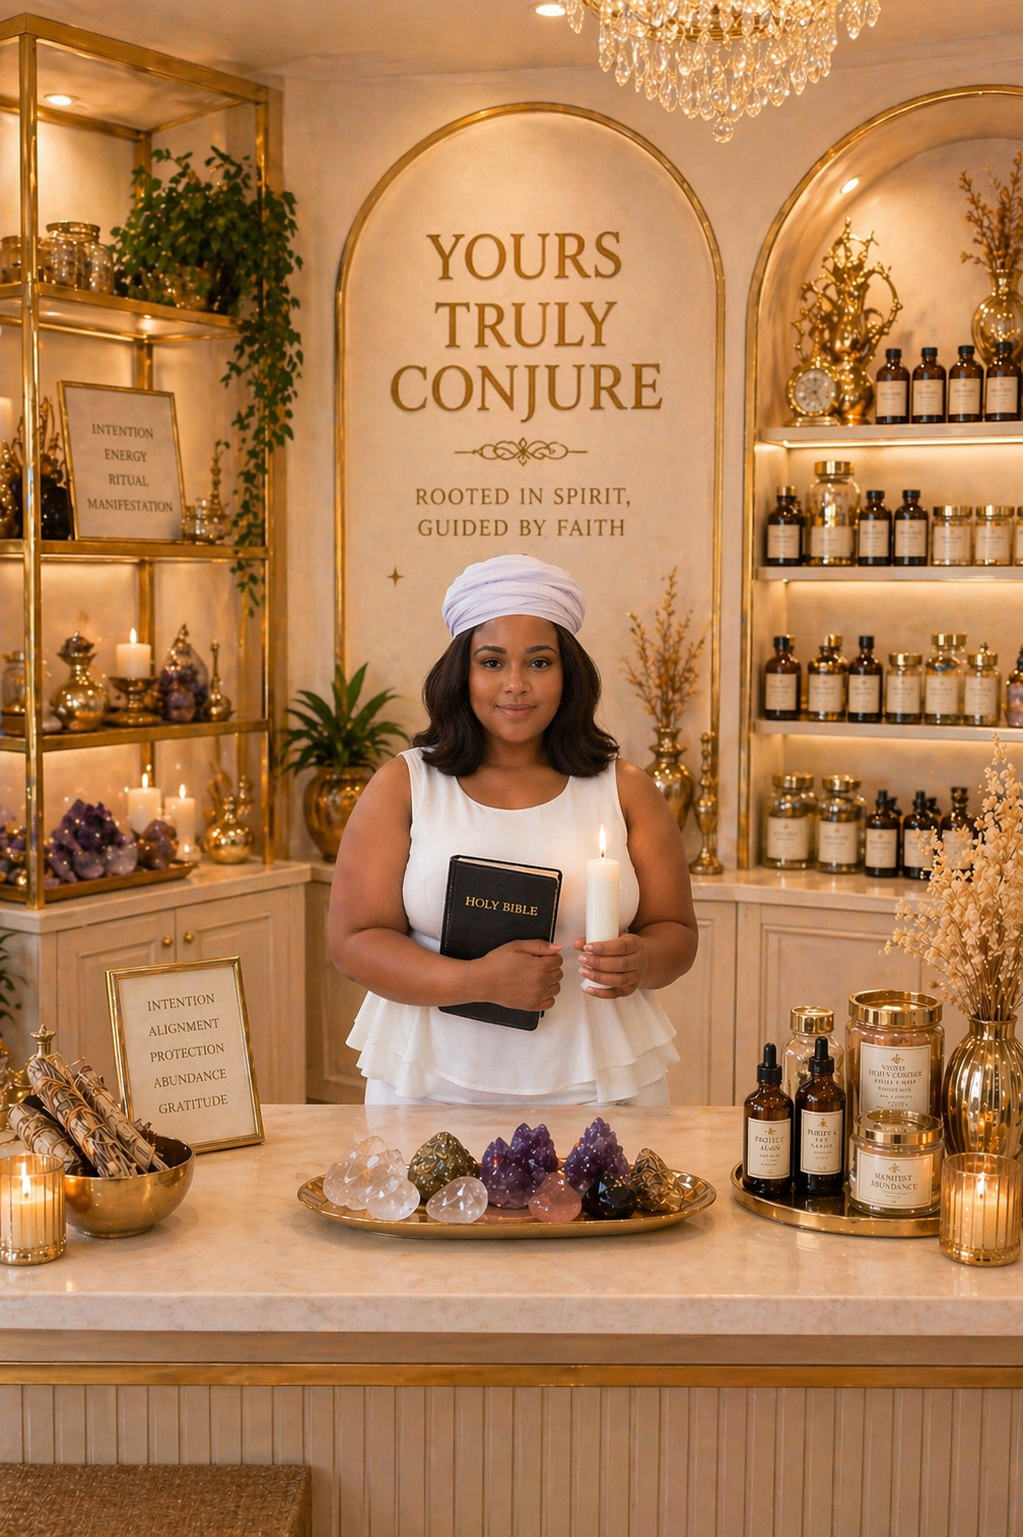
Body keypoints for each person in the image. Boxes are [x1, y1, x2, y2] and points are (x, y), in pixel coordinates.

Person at [329, 553, 699, 1106]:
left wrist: (644, 961)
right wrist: (477, 982)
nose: (517, 685)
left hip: (598, 1078)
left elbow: (676, 931)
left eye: (540, 663)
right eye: (493, 662)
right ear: (464, 672)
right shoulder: (403, 785)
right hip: (433, 1078)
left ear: (568, 673)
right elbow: (353, 943)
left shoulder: (623, 787)